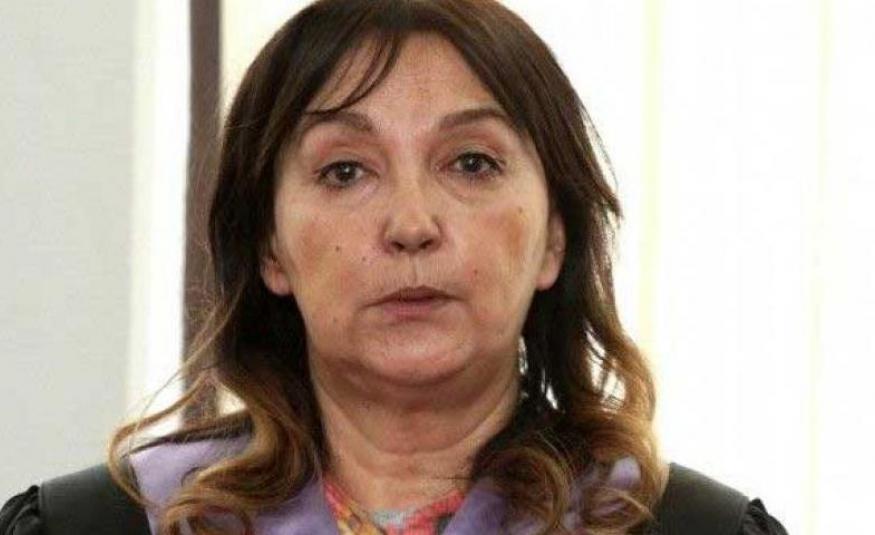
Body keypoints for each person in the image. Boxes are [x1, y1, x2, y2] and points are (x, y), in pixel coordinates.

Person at [1, 0, 789, 534]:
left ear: (554, 237)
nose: (411, 224)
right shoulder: (104, 523)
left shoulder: (688, 528)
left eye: (471, 162)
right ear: (270, 245)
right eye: (345, 171)